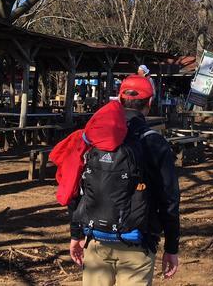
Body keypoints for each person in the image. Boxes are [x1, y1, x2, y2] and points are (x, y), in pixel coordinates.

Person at [68, 74, 180, 285]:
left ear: (119, 100)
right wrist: (171, 247)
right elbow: (169, 199)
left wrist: (76, 234)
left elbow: (76, 187)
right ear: (149, 103)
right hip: (137, 242)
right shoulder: (154, 142)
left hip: (96, 239)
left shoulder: (96, 137)